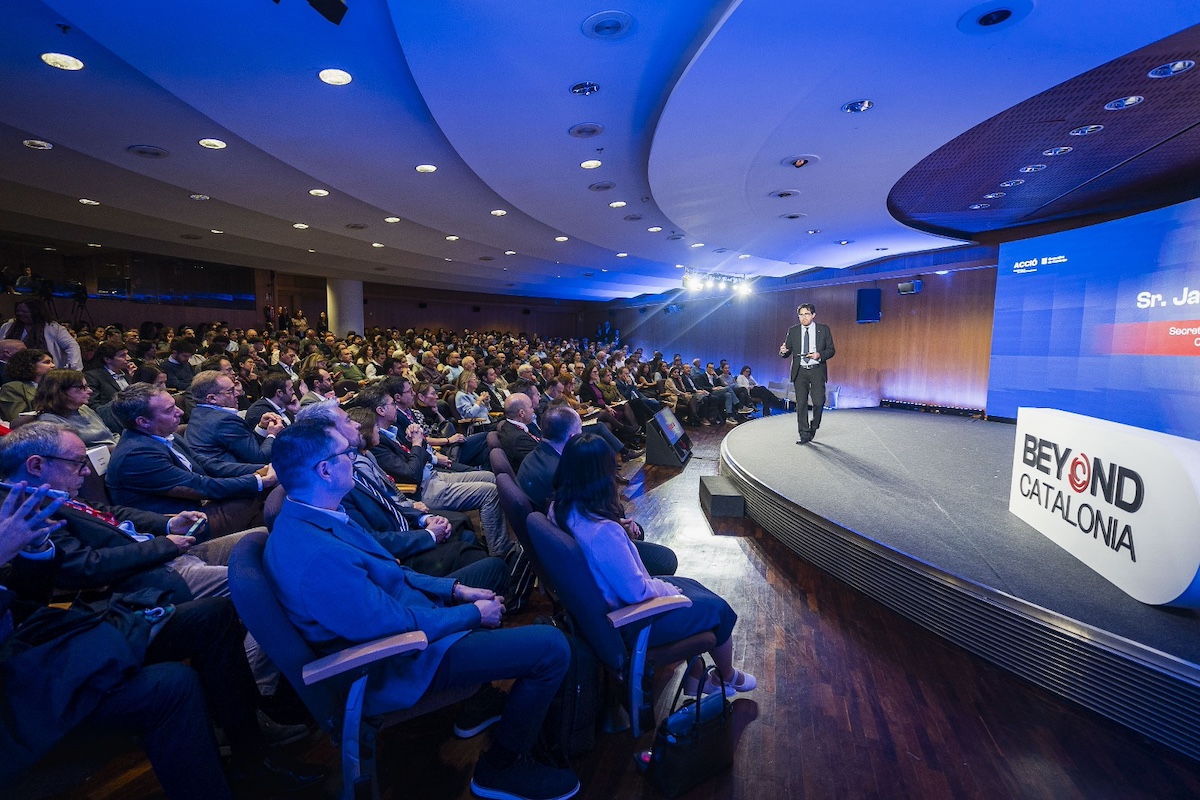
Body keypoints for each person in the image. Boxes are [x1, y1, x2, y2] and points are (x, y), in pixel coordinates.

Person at [263, 421, 580, 800]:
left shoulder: (316, 513)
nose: (353, 457)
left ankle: (477, 703)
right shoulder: (316, 555)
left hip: (413, 621)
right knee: (552, 647)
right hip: (397, 660)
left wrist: (455, 589)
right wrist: (471, 614)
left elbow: (392, 572)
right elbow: (391, 626)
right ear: (325, 470)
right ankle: (502, 767)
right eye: (345, 454)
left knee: (490, 576)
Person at [551, 433, 755, 697]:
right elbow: (635, 592)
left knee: (693, 586)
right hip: (631, 620)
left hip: (605, 615)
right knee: (719, 610)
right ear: (603, 475)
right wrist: (668, 590)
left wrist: (615, 528)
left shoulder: (561, 509)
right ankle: (725, 677)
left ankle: (695, 678)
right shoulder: (603, 533)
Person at [518, 406, 676, 577]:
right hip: (581, 553)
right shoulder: (563, 471)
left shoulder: (536, 456)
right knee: (665, 559)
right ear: (572, 438)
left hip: (558, 541)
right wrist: (615, 525)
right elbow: (581, 523)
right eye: (580, 430)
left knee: (637, 531)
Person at [106, 383, 277, 537]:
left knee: (277, 496)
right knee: (275, 495)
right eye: (169, 410)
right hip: (185, 525)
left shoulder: (164, 435)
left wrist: (264, 468)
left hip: (201, 506)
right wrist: (259, 481)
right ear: (143, 421)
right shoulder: (136, 455)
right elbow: (198, 486)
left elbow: (208, 465)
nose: (180, 412)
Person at [184, 370, 282, 469]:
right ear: (212, 398)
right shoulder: (224, 421)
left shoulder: (198, 413)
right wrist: (272, 434)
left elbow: (248, 447)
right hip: (238, 476)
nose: (237, 394)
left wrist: (262, 428)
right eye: (231, 391)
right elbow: (260, 458)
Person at [780, 303, 835, 444]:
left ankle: (814, 425)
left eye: (807, 314)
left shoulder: (823, 329)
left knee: (818, 402)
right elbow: (787, 351)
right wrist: (783, 351)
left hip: (816, 369)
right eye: (801, 315)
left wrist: (819, 354)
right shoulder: (793, 331)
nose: (804, 317)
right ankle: (804, 434)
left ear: (813, 315)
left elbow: (831, 350)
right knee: (801, 404)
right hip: (800, 371)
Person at [33, 369, 117, 447]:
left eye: (87, 386)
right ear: (60, 391)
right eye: (82, 388)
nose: (90, 391)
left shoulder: (84, 408)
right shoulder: (49, 421)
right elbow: (73, 453)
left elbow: (109, 435)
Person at [0, 298, 82, 371]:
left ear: (35, 312)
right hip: (13, 369)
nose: (20, 314)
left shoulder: (53, 328)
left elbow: (72, 346)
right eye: (18, 311)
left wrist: (72, 368)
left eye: (25, 312)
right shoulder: (8, 326)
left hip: (44, 372)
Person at [0, 348, 54, 422]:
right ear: (31, 366)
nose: (53, 365)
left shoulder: (55, 386)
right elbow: (16, 418)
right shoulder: (13, 388)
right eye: (47, 362)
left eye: (52, 362)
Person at [84, 342, 133, 407]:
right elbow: (93, 405)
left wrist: (135, 378)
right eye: (122, 355)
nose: (128, 358)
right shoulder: (93, 376)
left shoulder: (128, 374)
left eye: (127, 354)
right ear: (107, 359)